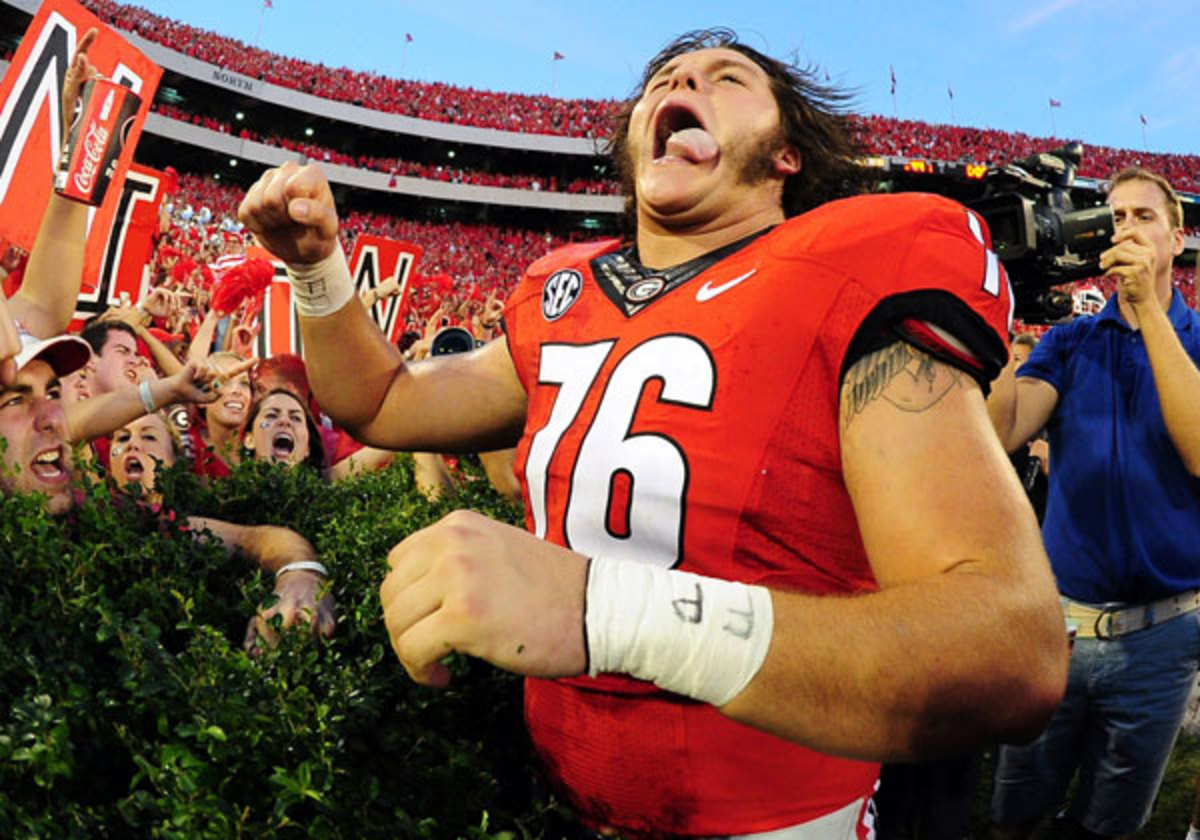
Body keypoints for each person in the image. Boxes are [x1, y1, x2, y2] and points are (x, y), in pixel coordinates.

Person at [240, 28, 1066, 838]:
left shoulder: (851, 266)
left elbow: (1008, 652)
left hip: (776, 818)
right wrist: (316, 271)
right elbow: (382, 404)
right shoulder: (567, 292)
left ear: (786, 154)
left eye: (726, 77)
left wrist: (606, 611)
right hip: (569, 797)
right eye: (665, 77)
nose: (680, 85)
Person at [987, 167, 1200, 840]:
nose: (1126, 229)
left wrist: (1147, 316)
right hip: (1059, 625)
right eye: (1115, 218)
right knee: (1018, 804)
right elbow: (1001, 432)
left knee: (1112, 821)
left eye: (1142, 216)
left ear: (1176, 238)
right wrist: (990, 305)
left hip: (1161, 634)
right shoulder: (1070, 341)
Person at [106, 410, 336, 650]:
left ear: (173, 460)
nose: (132, 445)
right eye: (122, 438)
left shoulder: (179, 527)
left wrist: (301, 575)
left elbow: (257, 540)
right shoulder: (88, 510)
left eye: (149, 438)